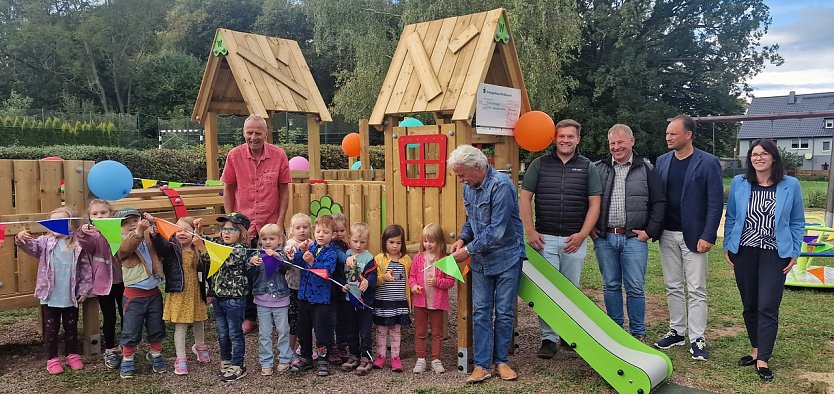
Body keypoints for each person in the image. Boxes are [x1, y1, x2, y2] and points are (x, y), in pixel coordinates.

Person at [519, 119, 602, 359]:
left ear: (578, 139)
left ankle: (568, 332)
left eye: (570, 136)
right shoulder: (539, 164)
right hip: (544, 238)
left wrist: (583, 234)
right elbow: (525, 199)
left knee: (570, 289)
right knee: (548, 291)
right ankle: (548, 338)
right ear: (554, 138)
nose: (565, 140)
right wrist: (531, 231)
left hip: (573, 239)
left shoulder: (587, 167)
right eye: (561, 136)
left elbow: (594, 204)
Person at [723, 139, 804, 382]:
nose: (758, 158)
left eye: (763, 154)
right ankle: (756, 348)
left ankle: (763, 359)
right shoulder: (740, 182)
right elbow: (732, 216)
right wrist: (728, 245)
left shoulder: (791, 184)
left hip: (774, 253)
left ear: (773, 158)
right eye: (754, 154)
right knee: (750, 304)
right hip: (744, 251)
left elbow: (798, 221)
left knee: (767, 304)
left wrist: (795, 251)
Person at [448, 145, 525, 383]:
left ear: (478, 167)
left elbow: (497, 230)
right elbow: (472, 220)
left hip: (507, 257)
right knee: (481, 311)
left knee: (503, 312)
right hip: (482, 259)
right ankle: (481, 366)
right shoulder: (468, 188)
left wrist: (467, 251)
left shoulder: (501, 185)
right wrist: (462, 238)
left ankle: (501, 361)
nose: (461, 180)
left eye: (462, 174)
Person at [652, 114, 723, 361]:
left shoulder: (708, 162)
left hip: (695, 237)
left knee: (696, 289)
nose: (668, 137)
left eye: (673, 133)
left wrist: (709, 235)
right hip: (667, 234)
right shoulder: (661, 161)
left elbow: (715, 203)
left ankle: (698, 338)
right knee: (672, 285)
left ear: (688, 135)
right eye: (667, 133)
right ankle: (677, 331)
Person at [592, 124, 665, 339]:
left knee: (635, 287)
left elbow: (659, 203)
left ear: (632, 142)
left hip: (634, 238)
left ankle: (638, 333)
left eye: (621, 142)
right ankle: (616, 332)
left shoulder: (648, 169)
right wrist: (592, 231)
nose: (616, 147)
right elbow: (587, 201)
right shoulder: (598, 169)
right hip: (604, 237)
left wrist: (649, 232)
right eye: (612, 143)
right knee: (611, 285)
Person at [221, 114, 291, 334]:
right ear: (244, 133)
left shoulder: (279, 155)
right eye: (249, 133)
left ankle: (276, 311)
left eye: (257, 133)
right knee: (247, 270)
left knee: (273, 269)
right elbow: (229, 188)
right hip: (244, 225)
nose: (253, 137)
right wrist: (231, 222)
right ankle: (249, 317)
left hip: (270, 226)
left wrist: (280, 222)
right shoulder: (234, 156)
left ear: (266, 134)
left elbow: (284, 190)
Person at [15, 207, 93, 375]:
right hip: (50, 295)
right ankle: (52, 358)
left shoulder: (78, 244)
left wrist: (85, 289)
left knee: (71, 327)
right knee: (52, 329)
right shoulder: (44, 242)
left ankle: (72, 354)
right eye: (52, 223)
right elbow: (31, 248)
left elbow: (86, 268)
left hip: (70, 295)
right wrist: (22, 239)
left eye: (60, 222)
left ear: (70, 224)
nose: (55, 226)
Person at [152, 216, 210, 375]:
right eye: (178, 230)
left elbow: (208, 264)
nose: (182, 233)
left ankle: (199, 346)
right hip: (180, 293)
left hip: (196, 293)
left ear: (193, 233)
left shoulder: (198, 249)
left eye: (187, 230)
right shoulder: (172, 248)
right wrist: (157, 234)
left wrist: (199, 231)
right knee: (181, 326)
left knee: (199, 321)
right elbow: (160, 247)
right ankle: (181, 358)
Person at [113, 208, 166, 378]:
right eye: (125, 223)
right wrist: (138, 231)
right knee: (131, 328)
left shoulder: (148, 234)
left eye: (134, 220)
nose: (131, 225)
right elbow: (125, 250)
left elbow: (162, 242)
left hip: (154, 292)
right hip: (133, 295)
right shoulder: (118, 241)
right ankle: (128, 357)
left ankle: (155, 354)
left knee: (156, 325)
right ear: (118, 228)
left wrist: (154, 224)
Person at [207, 212, 255, 381]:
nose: (226, 232)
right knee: (222, 333)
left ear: (241, 233)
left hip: (234, 300)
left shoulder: (241, 250)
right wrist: (197, 232)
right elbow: (209, 262)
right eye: (224, 229)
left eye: (232, 229)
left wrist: (201, 246)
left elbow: (223, 259)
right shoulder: (218, 246)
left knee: (235, 333)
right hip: (218, 299)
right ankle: (226, 361)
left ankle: (238, 365)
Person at [290, 215, 338, 377]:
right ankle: (306, 357)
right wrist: (300, 252)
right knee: (303, 329)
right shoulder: (310, 248)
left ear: (332, 234)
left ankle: (323, 358)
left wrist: (312, 263)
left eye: (325, 232)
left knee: (321, 330)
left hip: (320, 299)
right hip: (304, 297)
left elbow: (326, 272)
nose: (321, 235)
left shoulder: (331, 253)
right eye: (318, 231)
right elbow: (297, 263)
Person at [79, 199, 124, 369]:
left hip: (124, 281)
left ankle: (126, 346)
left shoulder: (119, 230)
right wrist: (83, 233)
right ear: (90, 217)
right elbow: (87, 245)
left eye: (103, 212)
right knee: (109, 317)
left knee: (127, 314)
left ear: (111, 214)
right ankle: (110, 349)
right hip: (105, 283)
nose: (100, 216)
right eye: (95, 214)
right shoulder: (93, 235)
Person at [409, 223, 455, 374]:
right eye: (425, 241)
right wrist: (413, 286)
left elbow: (450, 281)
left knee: (437, 333)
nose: (428, 244)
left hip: (437, 303)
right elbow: (412, 277)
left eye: (431, 241)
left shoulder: (445, 259)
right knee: (420, 332)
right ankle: (421, 360)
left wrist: (437, 282)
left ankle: (436, 360)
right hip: (420, 302)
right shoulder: (418, 258)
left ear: (440, 242)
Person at [249, 224, 293, 376]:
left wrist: (277, 257)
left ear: (280, 240)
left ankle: (285, 359)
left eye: (272, 238)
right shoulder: (257, 255)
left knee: (283, 331)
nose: (267, 242)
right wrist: (251, 263)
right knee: (264, 333)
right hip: (262, 300)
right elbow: (250, 274)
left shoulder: (282, 255)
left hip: (280, 300)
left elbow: (287, 267)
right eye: (264, 239)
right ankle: (266, 361)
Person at [372, 224, 412, 372]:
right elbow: (373, 279)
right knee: (381, 330)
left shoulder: (406, 260)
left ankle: (395, 357)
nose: (395, 246)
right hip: (383, 302)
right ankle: (381, 356)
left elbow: (411, 278)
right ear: (385, 242)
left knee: (396, 330)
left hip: (399, 302)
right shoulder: (379, 259)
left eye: (399, 242)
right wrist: (383, 277)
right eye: (391, 242)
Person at [339, 222, 378, 375]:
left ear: (367, 241)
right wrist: (343, 285)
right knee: (351, 330)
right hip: (349, 300)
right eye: (355, 241)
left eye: (362, 242)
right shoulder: (347, 255)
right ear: (350, 239)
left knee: (365, 331)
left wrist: (368, 282)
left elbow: (373, 276)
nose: (358, 245)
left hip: (364, 303)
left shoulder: (369, 258)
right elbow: (342, 275)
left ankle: (366, 356)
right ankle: (353, 355)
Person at [284, 213, 311, 361]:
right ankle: (290, 348)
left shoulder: (312, 243)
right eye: (298, 227)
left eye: (305, 227)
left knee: (305, 319)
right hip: (293, 287)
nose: (302, 231)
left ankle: (303, 346)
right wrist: (299, 250)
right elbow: (289, 258)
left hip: (307, 287)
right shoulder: (290, 244)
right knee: (294, 319)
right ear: (292, 230)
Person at [329, 213, 349, 364]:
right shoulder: (333, 246)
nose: (338, 234)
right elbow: (339, 256)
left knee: (342, 319)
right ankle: (333, 347)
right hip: (333, 287)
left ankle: (342, 344)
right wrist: (348, 259)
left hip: (344, 287)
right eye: (335, 231)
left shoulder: (345, 244)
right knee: (333, 319)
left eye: (342, 230)